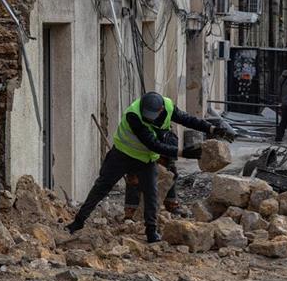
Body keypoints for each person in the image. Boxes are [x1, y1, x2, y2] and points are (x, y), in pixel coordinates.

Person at [66, 92, 233, 242]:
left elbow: (187, 119)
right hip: (122, 155)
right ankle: (78, 221)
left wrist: (212, 128)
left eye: (152, 115)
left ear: (161, 109)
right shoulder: (134, 115)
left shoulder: (167, 106)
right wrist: (184, 152)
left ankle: (151, 232)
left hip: (145, 160)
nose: (149, 119)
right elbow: (153, 145)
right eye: (147, 115)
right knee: (102, 187)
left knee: (151, 194)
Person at [123, 130, 187, 219]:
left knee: (170, 174)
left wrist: (171, 167)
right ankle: (131, 209)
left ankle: (171, 203)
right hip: (140, 153)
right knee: (134, 177)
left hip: (161, 137)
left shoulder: (167, 136)